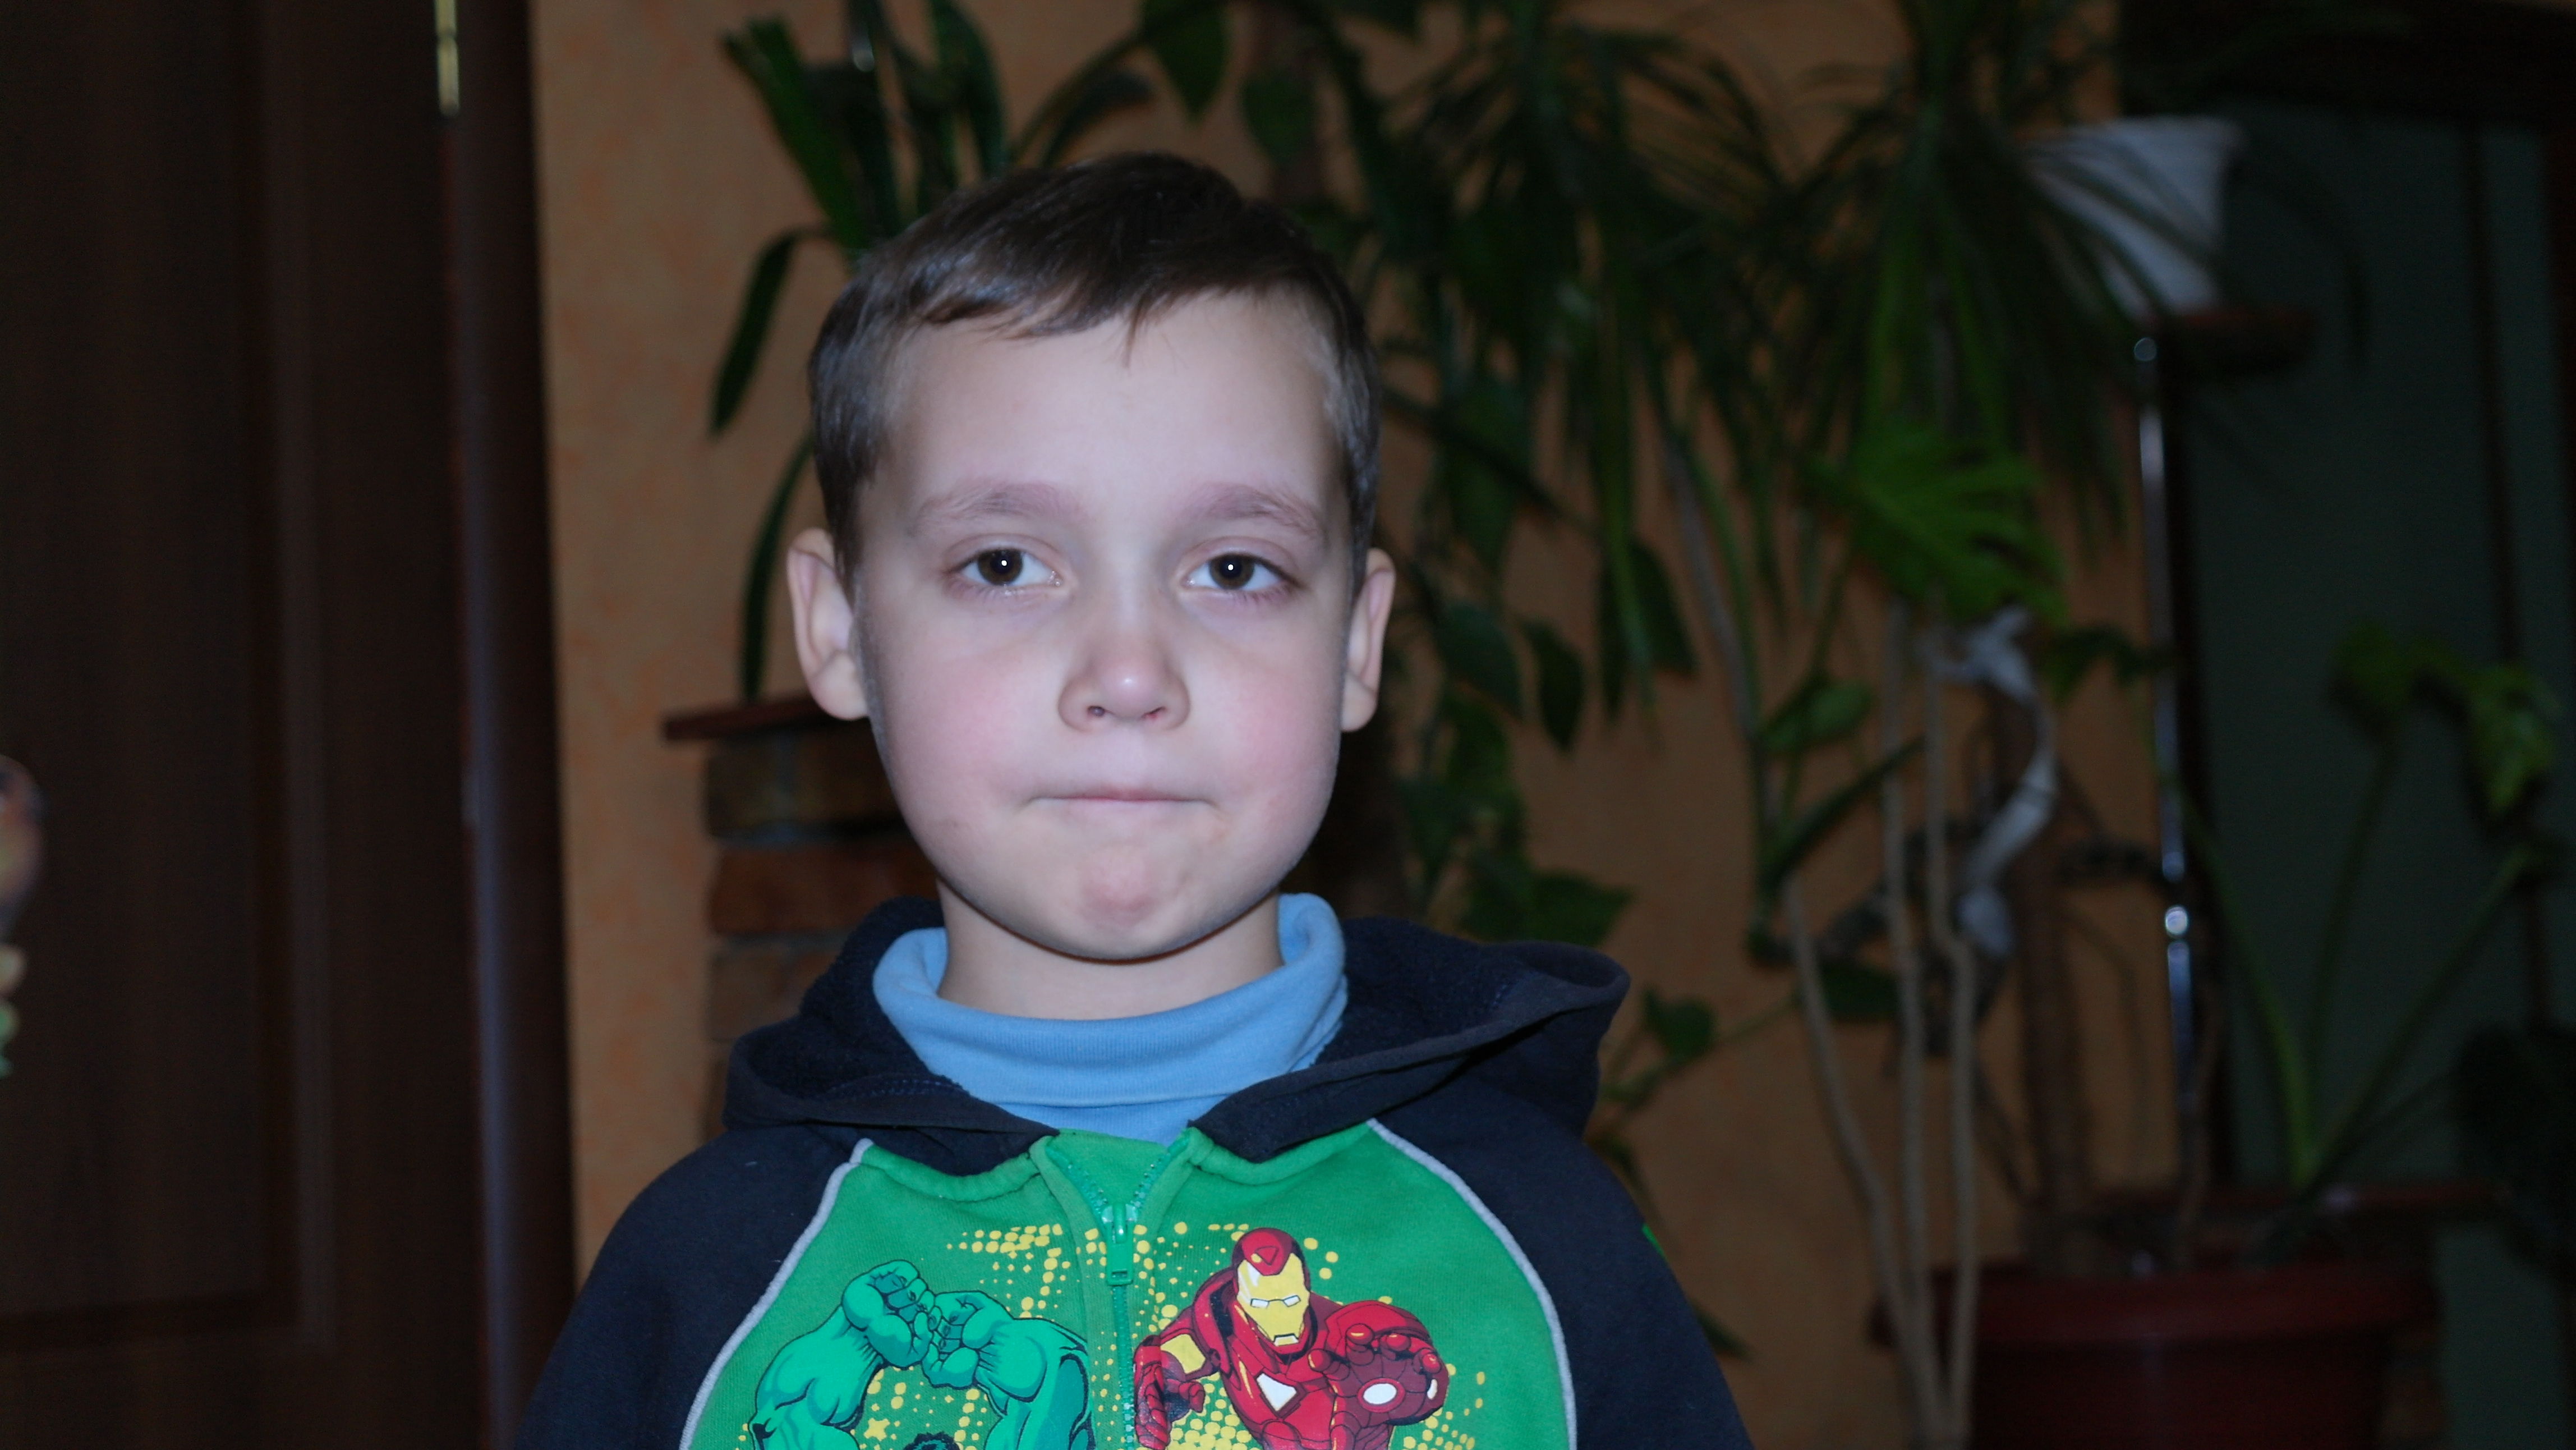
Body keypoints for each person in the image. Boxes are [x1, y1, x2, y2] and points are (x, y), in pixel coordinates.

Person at [518, 152, 1752, 1450]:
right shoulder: (702, 1284)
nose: (1126, 672)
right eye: (1005, 563)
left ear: (1357, 643)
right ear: (838, 630)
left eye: (1234, 568)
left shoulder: (1549, 1254)